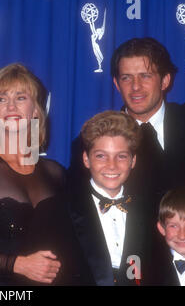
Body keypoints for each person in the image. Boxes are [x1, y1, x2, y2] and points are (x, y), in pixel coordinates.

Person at [0, 63, 91, 285]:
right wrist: (16, 264)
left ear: (35, 111)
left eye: (21, 97)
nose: (11, 106)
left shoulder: (57, 173)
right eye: (2, 99)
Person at [69, 37, 185, 208]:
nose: (136, 87)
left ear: (165, 80)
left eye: (145, 76)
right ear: (117, 84)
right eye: (127, 78)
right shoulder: (90, 143)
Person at [68, 111, 155, 285]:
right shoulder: (59, 209)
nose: (112, 165)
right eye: (101, 156)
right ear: (86, 159)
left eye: (121, 156)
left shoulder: (151, 211)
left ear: (133, 161)